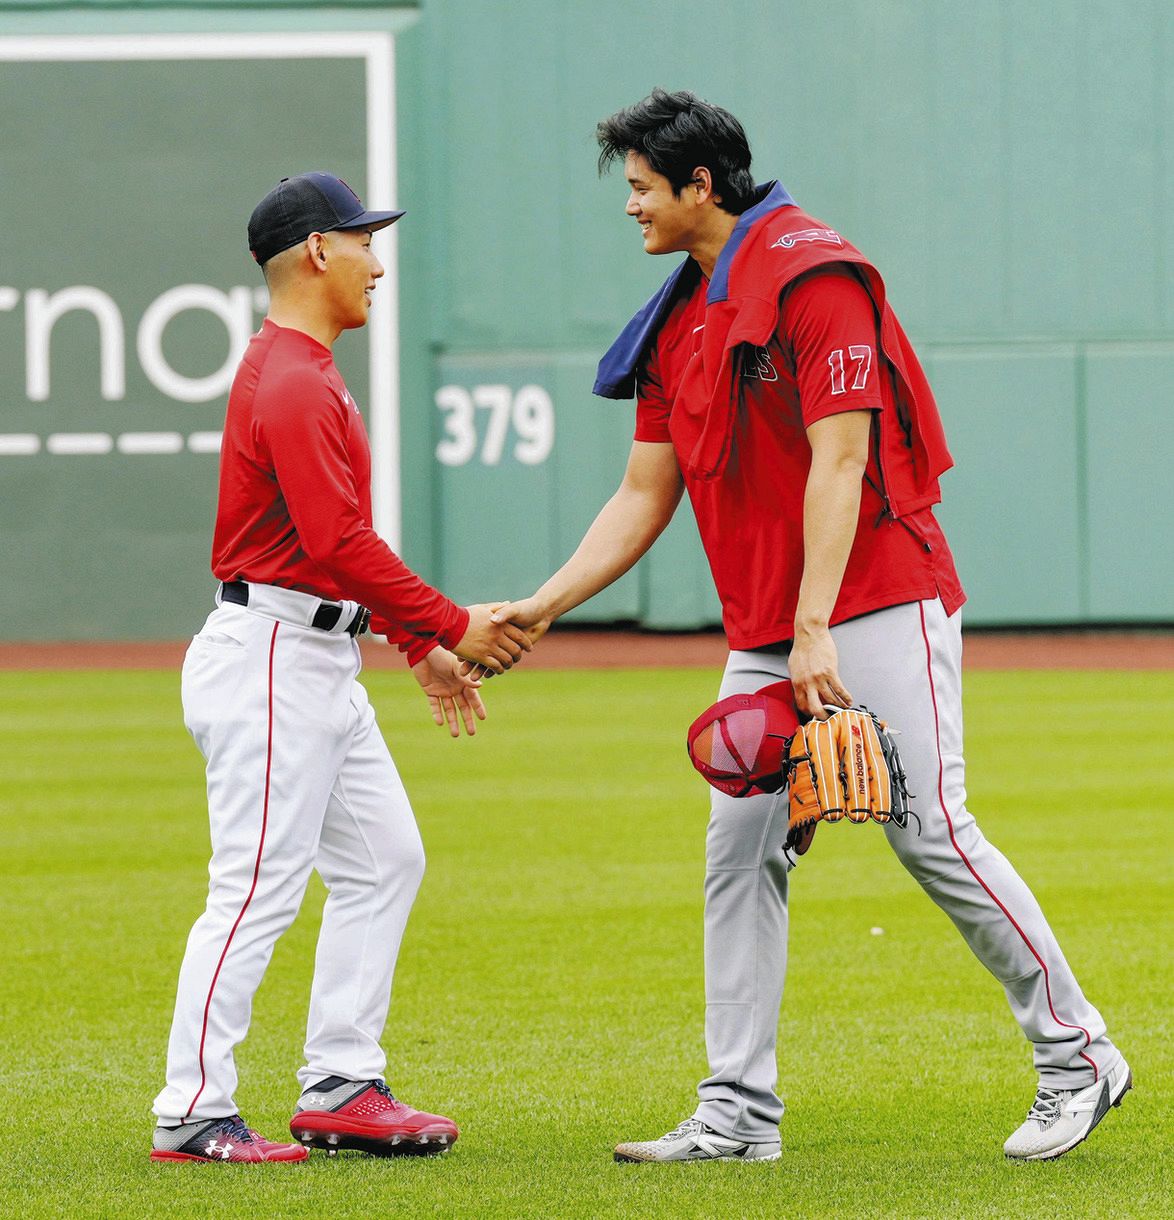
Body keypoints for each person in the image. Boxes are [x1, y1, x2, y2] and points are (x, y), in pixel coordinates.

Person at [492, 90, 1129, 1164]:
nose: (632, 207)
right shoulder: (677, 316)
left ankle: (1077, 1053)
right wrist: (543, 605)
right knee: (737, 855)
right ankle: (737, 1110)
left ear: (701, 185)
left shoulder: (812, 274)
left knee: (928, 827)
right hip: (770, 624)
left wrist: (814, 626)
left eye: (643, 186)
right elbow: (643, 492)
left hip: (873, 595)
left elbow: (843, 460)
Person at [151, 172, 531, 1164]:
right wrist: (450, 622)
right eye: (364, 238)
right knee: (254, 886)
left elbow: (332, 543)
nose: (377, 258)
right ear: (317, 250)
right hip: (272, 655)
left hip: (312, 651)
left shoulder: (301, 365)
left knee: (382, 858)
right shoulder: (291, 374)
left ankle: (340, 1082)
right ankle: (192, 1106)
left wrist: (414, 644)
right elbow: (331, 537)